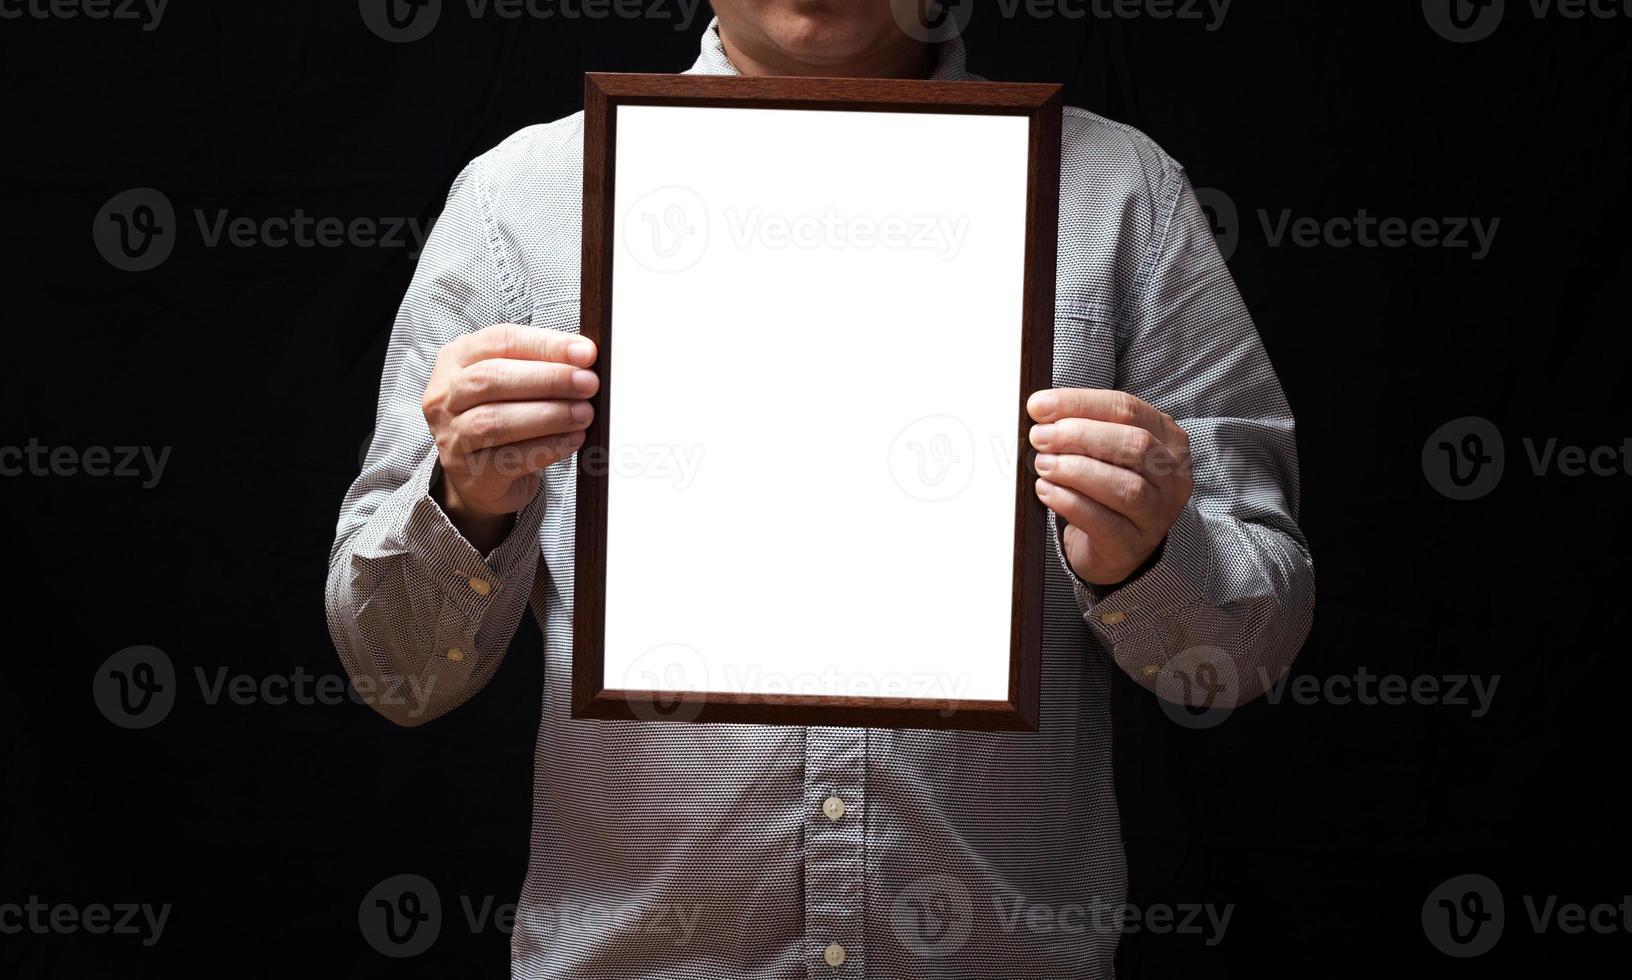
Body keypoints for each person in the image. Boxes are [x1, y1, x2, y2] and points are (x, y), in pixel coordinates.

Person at [327, 4, 1314, 976]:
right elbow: (396, 671)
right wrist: (466, 502)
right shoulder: (521, 203)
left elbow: (1242, 655)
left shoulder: (1122, 199)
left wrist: (1148, 558)